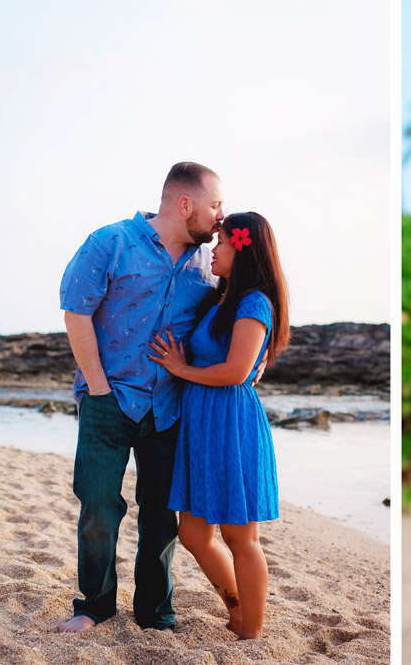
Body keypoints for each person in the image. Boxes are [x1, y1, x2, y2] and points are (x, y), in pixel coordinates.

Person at [57, 162, 224, 633]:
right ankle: (94, 606)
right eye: (215, 206)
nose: (220, 217)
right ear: (184, 204)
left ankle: (155, 614)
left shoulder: (208, 267)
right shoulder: (110, 242)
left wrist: (254, 361)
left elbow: (234, 321)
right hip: (107, 399)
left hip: (171, 407)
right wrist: (98, 387)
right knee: (97, 509)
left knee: (160, 518)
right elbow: (76, 311)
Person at [148, 212, 290, 640]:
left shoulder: (255, 302)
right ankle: (237, 606)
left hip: (230, 422)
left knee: (240, 537)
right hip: (201, 424)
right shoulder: (220, 300)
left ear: (243, 250)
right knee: (193, 533)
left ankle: (252, 632)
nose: (213, 249)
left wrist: (180, 368)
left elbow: (234, 371)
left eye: (222, 242)